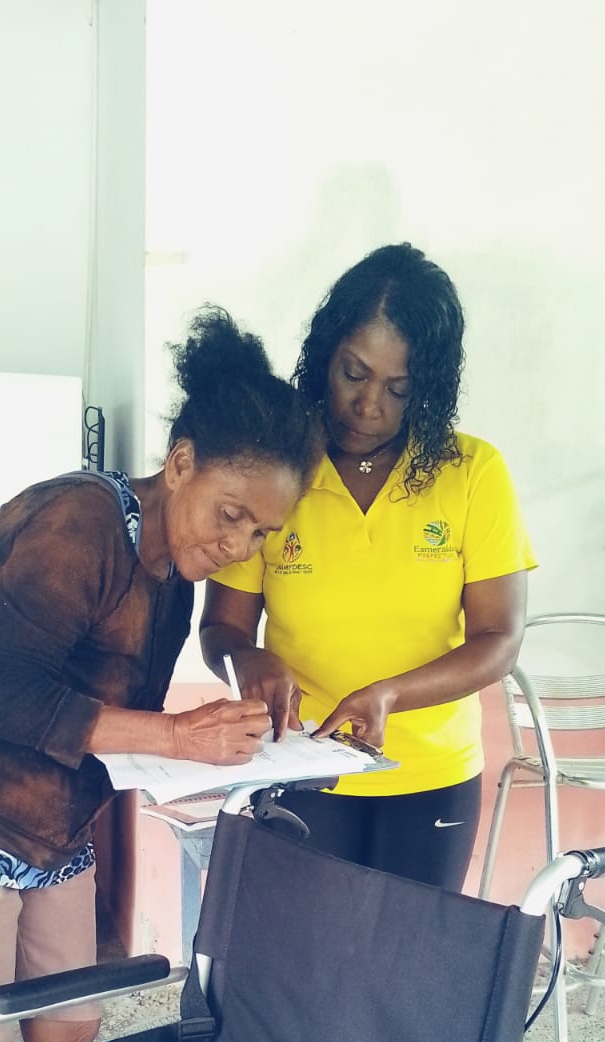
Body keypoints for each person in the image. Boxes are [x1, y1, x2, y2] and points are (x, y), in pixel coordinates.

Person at [0, 307, 320, 1042]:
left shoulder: (171, 580)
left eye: (263, 532)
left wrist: (218, 752)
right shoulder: (79, 522)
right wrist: (179, 738)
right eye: (231, 513)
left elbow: (112, 722)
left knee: (71, 1031)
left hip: (58, 832)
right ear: (181, 463)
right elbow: (4, 696)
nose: (241, 545)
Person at [200, 244, 537, 891]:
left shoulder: (473, 474)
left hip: (433, 776)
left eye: (397, 388)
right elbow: (222, 628)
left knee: (408, 950)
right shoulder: (278, 469)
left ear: (427, 389)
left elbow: (499, 639)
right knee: (306, 947)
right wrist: (248, 659)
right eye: (353, 373)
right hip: (300, 763)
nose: (368, 405)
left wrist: (391, 695)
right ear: (324, 356)